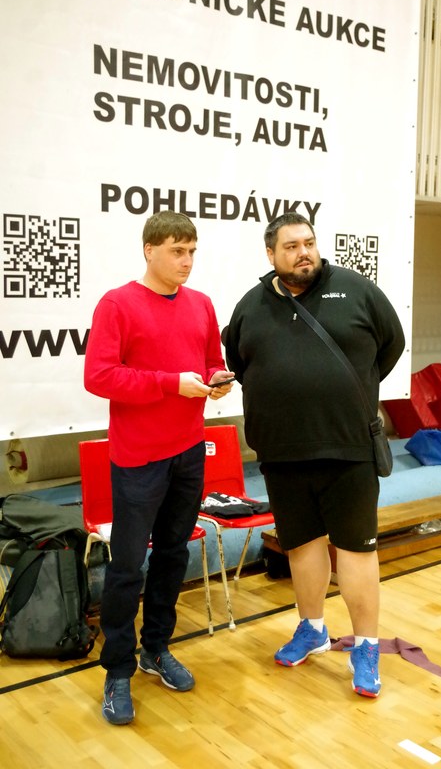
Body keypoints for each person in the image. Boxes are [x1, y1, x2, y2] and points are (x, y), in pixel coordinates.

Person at [224, 212, 405, 698]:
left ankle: (366, 646)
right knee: (302, 546)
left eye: (308, 242)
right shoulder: (251, 306)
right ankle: (313, 628)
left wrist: (345, 390)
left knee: (356, 550)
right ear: (271, 254)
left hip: (348, 448)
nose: (303, 252)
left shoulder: (357, 290)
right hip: (282, 452)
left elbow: (391, 345)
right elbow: (238, 360)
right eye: (291, 246)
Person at [84, 211, 234, 725]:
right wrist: (172, 383)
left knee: (172, 556)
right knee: (127, 567)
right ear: (149, 250)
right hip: (138, 458)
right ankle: (117, 670)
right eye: (176, 251)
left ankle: (155, 648)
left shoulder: (201, 304)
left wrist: (217, 378)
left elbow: (209, 360)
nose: (187, 261)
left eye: (191, 251)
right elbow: (99, 376)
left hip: (188, 450)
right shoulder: (117, 304)